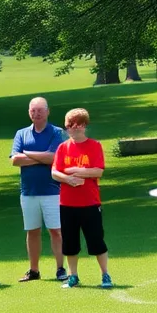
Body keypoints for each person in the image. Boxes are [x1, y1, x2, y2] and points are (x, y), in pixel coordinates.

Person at [51, 108, 111, 289]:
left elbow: (98, 170)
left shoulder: (94, 146)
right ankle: (73, 276)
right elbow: (55, 172)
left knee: (96, 240)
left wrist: (78, 172)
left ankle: (105, 275)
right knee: (70, 242)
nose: (73, 129)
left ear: (84, 125)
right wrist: (67, 178)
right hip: (67, 203)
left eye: (76, 125)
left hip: (90, 203)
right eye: (69, 125)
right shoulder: (63, 148)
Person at [11, 97, 68, 282]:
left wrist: (27, 153)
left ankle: (60, 268)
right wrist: (40, 158)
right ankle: (34, 270)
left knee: (56, 231)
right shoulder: (21, 134)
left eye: (39, 110)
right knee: (32, 231)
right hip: (28, 192)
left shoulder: (56, 132)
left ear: (47, 111)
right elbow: (14, 160)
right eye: (32, 110)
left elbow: (54, 158)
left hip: (53, 191)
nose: (36, 114)